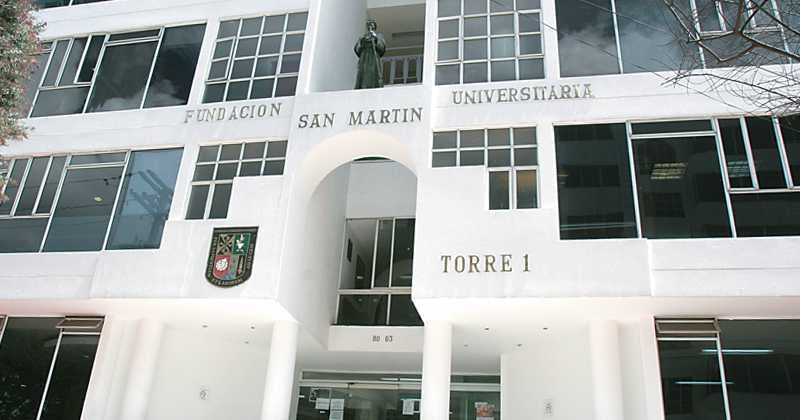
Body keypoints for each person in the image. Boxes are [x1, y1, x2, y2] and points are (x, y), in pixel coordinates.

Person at [354, 19, 386, 89]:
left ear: (374, 26)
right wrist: (362, 43)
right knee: (363, 73)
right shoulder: (362, 37)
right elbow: (357, 49)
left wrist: (375, 39)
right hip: (364, 58)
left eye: (372, 24)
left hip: (373, 58)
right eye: (369, 24)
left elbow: (382, 48)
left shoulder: (378, 36)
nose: (370, 25)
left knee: (373, 72)